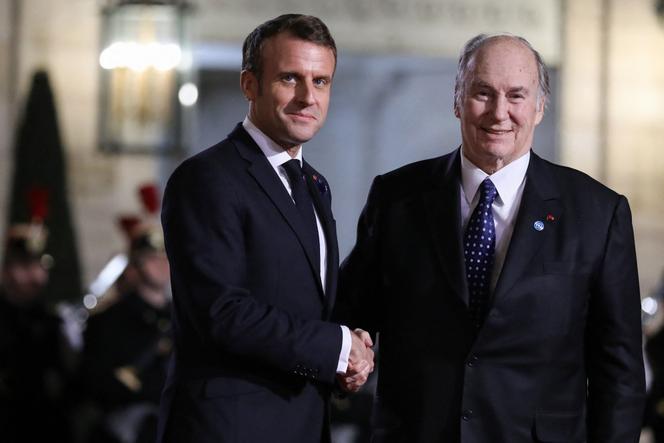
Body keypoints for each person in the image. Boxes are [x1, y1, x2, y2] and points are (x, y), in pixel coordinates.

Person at [335, 33, 645, 442]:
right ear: (458, 100)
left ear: (539, 107)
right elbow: (351, 312)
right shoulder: (397, 198)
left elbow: (620, 373)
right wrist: (353, 346)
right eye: (483, 93)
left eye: (516, 96)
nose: (499, 113)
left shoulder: (598, 214)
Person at [157, 14, 374, 443]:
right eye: (290, 78)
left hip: (302, 423)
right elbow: (222, 312)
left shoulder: (314, 185)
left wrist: (351, 352)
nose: (307, 97)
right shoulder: (207, 178)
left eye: (321, 81)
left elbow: (306, 304)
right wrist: (335, 346)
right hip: (228, 429)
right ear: (249, 85)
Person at [80, 219, 172, 443]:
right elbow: (98, 383)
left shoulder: (182, 317)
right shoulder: (108, 320)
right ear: (135, 265)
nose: (161, 264)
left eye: (165, 257)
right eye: (152, 258)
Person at [0, 223, 73, 442]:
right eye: (25, 266)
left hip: (45, 424)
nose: (35, 275)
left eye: (40, 266)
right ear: (7, 270)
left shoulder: (51, 320)